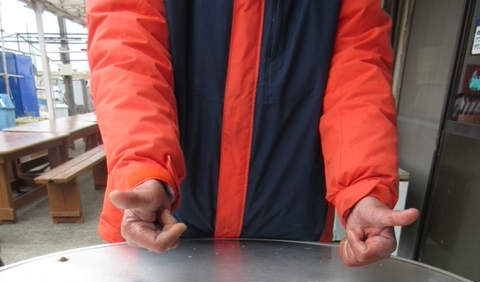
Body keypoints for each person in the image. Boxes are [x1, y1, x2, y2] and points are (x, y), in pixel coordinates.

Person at [87, 0, 419, 267]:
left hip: (288, 226)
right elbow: (127, 53)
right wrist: (143, 169)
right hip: (160, 212)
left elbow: (357, 75)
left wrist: (363, 188)